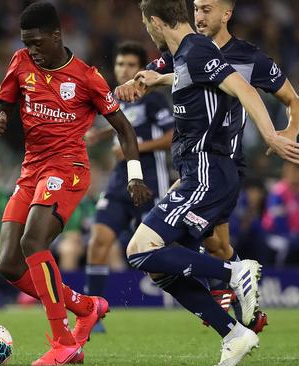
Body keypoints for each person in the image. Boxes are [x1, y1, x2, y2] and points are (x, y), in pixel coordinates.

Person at [123, 1, 299, 365]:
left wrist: (275, 135)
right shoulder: (186, 52)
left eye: (207, 8)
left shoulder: (205, 51)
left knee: (143, 249)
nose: (199, 15)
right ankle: (235, 331)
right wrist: (149, 78)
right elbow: (186, 75)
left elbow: (247, 90)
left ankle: (236, 273)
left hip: (211, 166)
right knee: (169, 261)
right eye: (195, 7)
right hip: (198, 170)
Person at [0, 2, 151, 364]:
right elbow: (0, 105)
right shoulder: (20, 63)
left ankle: (63, 342)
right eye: (26, 43)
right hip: (31, 170)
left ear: (57, 35)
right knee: (9, 264)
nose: (32, 50)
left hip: (68, 168)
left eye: (37, 43)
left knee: (33, 242)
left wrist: (134, 175)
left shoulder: (86, 77)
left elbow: (124, 128)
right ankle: (85, 306)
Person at [83, 41, 174, 333]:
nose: (124, 69)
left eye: (131, 65)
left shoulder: (154, 100)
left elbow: (173, 136)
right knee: (98, 241)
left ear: (142, 69)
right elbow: (124, 125)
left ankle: (209, 292)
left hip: (148, 183)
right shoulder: (116, 100)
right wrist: (100, 133)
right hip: (119, 182)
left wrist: (136, 147)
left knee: (159, 253)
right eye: (120, 64)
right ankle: (91, 313)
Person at [262, 162, 299, 266]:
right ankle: (281, 277)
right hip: (275, 235)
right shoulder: (278, 191)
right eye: (291, 171)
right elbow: (276, 221)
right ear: (285, 173)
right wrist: (292, 235)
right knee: (286, 247)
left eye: (298, 171)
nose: (294, 174)